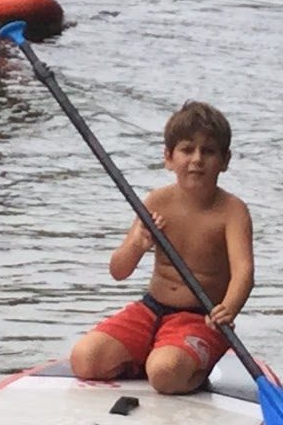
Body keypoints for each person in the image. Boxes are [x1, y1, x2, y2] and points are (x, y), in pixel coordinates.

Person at [68, 101, 255, 395]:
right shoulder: (156, 201)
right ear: (168, 158)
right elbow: (118, 270)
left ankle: (191, 370)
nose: (197, 159)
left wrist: (228, 309)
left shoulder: (232, 211)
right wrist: (138, 245)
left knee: (164, 374)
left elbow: (244, 272)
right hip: (150, 309)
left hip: (199, 319)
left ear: (225, 160)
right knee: (84, 359)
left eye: (208, 151)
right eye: (187, 149)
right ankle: (151, 357)